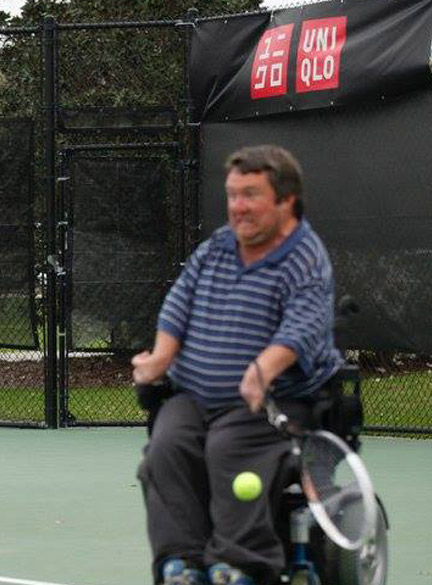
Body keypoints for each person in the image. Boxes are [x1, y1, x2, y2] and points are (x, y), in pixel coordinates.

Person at [131, 145, 344, 585]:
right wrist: (161, 358)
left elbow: (303, 326)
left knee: (228, 447)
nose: (237, 207)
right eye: (232, 195)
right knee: (167, 447)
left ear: (286, 200)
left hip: (271, 401)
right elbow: (179, 301)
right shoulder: (218, 246)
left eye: (250, 195)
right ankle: (181, 564)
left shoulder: (305, 257)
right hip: (194, 396)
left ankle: (239, 565)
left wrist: (262, 370)